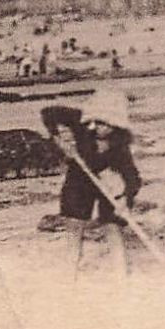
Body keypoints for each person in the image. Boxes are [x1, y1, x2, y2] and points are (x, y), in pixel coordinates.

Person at [41, 91, 141, 277]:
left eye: (103, 123)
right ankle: (69, 274)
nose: (96, 127)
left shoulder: (120, 144)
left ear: (116, 124)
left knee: (113, 226)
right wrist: (58, 138)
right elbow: (48, 112)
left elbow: (132, 178)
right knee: (74, 225)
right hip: (79, 180)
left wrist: (125, 200)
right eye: (94, 121)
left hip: (108, 185)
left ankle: (121, 275)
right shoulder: (81, 122)